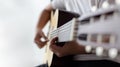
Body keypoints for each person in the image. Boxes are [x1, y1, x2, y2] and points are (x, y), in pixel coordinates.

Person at [34, 0, 120, 67]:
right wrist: (38, 28)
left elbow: (107, 37)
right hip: (66, 60)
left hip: (98, 59)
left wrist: (72, 49)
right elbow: (46, 10)